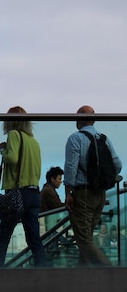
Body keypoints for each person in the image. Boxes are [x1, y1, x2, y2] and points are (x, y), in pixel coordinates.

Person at [64, 105, 122, 266]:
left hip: (82, 194)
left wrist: (68, 192)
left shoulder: (75, 138)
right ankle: (81, 278)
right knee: (87, 237)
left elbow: (71, 167)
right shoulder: (103, 138)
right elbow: (117, 163)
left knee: (84, 241)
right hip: (100, 195)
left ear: (79, 119)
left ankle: (113, 274)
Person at [0, 106, 47, 268]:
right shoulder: (34, 142)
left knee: (4, 236)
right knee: (34, 238)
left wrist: (3, 149)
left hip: (17, 193)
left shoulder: (13, 135)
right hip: (33, 193)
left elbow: (12, 158)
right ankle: (42, 268)